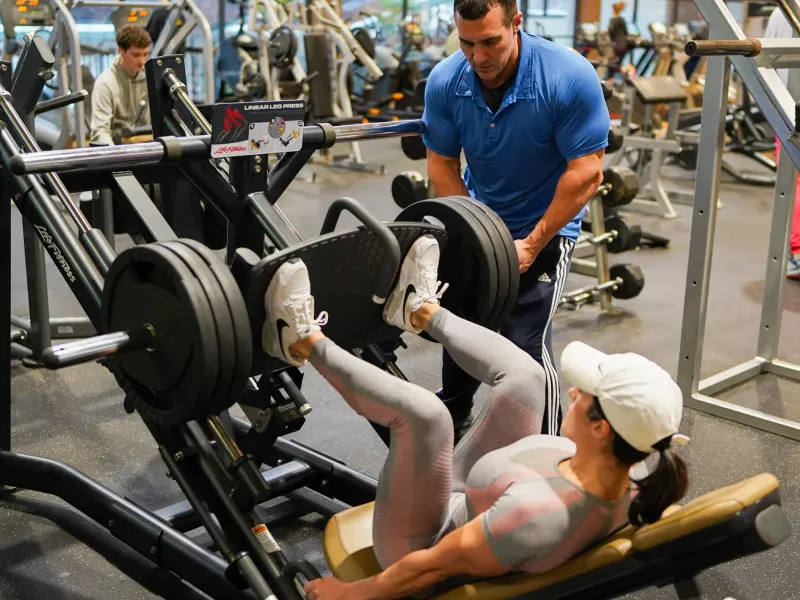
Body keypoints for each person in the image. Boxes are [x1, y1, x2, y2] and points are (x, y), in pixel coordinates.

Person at [259, 235, 690, 600]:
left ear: (601, 429)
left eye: (584, 397)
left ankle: (300, 340)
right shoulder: (636, 473)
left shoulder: (533, 516)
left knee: (427, 416)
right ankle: (418, 310)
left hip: (419, 542)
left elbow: (429, 569)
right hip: (484, 496)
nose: (573, 393)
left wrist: (353, 593)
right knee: (527, 377)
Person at [421, 0, 610, 438]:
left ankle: (546, 446)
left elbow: (587, 173)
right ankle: (452, 415)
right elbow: (441, 164)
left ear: (516, 23)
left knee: (523, 349)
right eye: (467, 43)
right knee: (461, 325)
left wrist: (532, 242)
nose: (479, 57)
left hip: (545, 226)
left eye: (491, 42)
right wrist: (473, 233)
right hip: (481, 218)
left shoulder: (567, 76)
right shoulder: (448, 79)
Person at [765, 7, 800, 279]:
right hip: (790, 111)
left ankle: (796, 254)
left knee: (794, 182)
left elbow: (767, 63)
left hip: (786, 109)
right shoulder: (783, 11)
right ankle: (795, 254)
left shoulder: (781, 12)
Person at [90, 24, 152, 146]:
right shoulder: (105, 83)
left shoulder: (151, 78)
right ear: (121, 51)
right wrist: (116, 156)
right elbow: (100, 132)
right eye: (136, 55)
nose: (142, 61)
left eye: (145, 54)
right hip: (118, 147)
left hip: (148, 144)